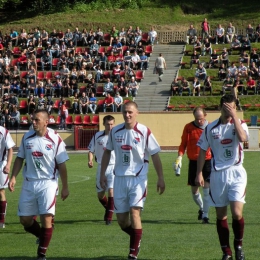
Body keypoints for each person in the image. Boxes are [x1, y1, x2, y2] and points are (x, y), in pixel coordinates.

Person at [100, 101, 165, 260]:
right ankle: (137, 237)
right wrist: (102, 173)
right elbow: (107, 152)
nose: (127, 115)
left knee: (135, 213)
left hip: (138, 179)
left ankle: (132, 253)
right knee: (122, 221)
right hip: (119, 179)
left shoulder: (144, 131)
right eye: (124, 112)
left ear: (137, 113)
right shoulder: (115, 132)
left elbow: (155, 154)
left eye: (130, 112)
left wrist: (160, 178)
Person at [9, 109, 69, 260]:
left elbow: (62, 165)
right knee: (25, 220)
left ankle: (41, 253)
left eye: (36, 120)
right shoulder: (27, 137)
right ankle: (43, 236)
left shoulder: (55, 139)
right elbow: (19, 158)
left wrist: (65, 187)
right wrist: (13, 177)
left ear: (46, 122)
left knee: (46, 218)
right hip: (29, 183)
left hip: (48, 183)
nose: (33, 122)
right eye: (32, 120)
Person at [196, 94, 248, 260]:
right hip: (218, 174)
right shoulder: (210, 128)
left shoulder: (240, 124)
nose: (229, 110)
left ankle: (238, 245)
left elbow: (243, 139)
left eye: (232, 107)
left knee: (237, 212)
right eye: (226, 107)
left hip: (236, 172)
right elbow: (203, 150)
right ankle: (226, 252)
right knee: (220, 215)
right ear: (220, 107)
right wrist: (199, 172)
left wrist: (234, 116)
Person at [174, 107, 211, 223]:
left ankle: (205, 215)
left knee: (206, 188)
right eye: (196, 118)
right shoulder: (188, 127)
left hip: (208, 160)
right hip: (193, 161)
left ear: (205, 116)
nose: (199, 121)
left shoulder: (210, 127)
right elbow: (183, 144)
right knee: (194, 190)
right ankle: (201, 208)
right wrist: (179, 157)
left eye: (200, 119)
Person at [88, 115, 115, 225]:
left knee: (111, 191)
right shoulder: (97, 136)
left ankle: (109, 218)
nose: (110, 126)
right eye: (108, 124)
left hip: (114, 166)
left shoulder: (118, 136)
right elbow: (91, 150)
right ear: (103, 124)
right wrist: (90, 160)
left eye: (112, 124)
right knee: (100, 194)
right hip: (101, 167)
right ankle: (109, 208)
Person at [0, 125, 15, 228]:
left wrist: (8, 165)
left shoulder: (3, 131)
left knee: (1, 191)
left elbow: (10, 149)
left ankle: (1, 220)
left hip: (1, 164)